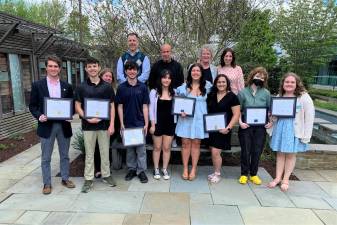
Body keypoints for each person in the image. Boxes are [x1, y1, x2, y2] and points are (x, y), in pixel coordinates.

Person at [29, 55, 75, 194]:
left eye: (56, 66)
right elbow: (32, 106)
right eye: (50, 66)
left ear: (60, 68)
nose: (53, 69)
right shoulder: (38, 85)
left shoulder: (67, 86)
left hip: (63, 126)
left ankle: (65, 178)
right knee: (46, 157)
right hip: (46, 125)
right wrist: (39, 116)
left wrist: (70, 115)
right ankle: (47, 183)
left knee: (65, 154)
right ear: (46, 67)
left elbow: (71, 105)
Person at [75, 58, 116, 193]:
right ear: (86, 69)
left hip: (104, 125)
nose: (92, 68)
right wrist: (87, 117)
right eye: (89, 66)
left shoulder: (107, 86)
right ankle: (88, 179)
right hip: (88, 126)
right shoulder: (81, 87)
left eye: (94, 66)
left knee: (105, 152)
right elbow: (78, 106)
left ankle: (106, 175)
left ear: (99, 68)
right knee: (89, 153)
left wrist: (111, 125)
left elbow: (111, 106)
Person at [267, 72, 314, 192]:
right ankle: (277, 178)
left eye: (292, 82)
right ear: (283, 83)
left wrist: (306, 135)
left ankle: (286, 179)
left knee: (291, 155)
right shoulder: (279, 96)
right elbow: (275, 116)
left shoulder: (304, 97)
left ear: (297, 84)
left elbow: (309, 117)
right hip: (280, 127)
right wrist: (271, 118)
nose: (289, 84)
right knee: (280, 154)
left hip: (294, 129)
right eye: (287, 82)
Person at [175, 63, 212, 181]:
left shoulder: (208, 86)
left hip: (199, 119)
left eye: (198, 71)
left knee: (196, 144)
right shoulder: (183, 87)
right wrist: (180, 111)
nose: (195, 73)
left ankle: (194, 169)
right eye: (193, 70)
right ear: (190, 73)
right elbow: (176, 102)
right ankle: (185, 168)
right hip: (185, 119)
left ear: (201, 73)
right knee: (185, 144)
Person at [115, 61, 150, 183]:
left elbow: (145, 106)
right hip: (127, 124)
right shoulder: (121, 88)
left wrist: (146, 123)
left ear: (137, 71)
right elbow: (119, 107)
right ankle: (131, 169)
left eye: (134, 69)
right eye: (129, 69)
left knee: (141, 150)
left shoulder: (143, 87)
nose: (132, 71)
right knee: (130, 150)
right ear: (125, 71)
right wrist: (121, 124)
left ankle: (141, 171)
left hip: (140, 123)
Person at [237, 67, 272, 185]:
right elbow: (237, 110)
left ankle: (253, 174)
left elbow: (270, 111)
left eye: (262, 78)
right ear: (252, 77)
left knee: (257, 150)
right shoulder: (242, 92)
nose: (260, 79)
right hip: (246, 126)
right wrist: (240, 122)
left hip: (260, 128)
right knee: (245, 151)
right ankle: (243, 174)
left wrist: (270, 121)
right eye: (258, 76)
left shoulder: (266, 93)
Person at [206, 74, 240, 183]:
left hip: (223, 130)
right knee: (213, 151)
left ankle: (217, 173)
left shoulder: (232, 97)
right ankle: (215, 171)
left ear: (227, 84)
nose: (221, 84)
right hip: (211, 129)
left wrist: (228, 128)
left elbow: (236, 114)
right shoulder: (211, 95)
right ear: (215, 84)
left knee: (216, 152)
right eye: (219, 82)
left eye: (223, 82)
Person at [149, 70, 175, 180]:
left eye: (169, 78)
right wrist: (152, 124)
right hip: (157, 123)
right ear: (160, 79)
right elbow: (151, 110)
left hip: (170, 124)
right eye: (164, 77)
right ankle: (156, 168)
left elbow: (178, 108)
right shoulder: (154, 92)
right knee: (157, 147)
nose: (166, 80)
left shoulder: (174, 93)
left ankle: (164, 168)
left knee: (166, 148)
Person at [94, 68, 118, 178]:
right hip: (98, 121)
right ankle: (98, 169)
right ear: (101, 76)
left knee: (107, 146)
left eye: (110, 76)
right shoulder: (96, 89)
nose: (108, 78)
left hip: (112, 122)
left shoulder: (114, 90)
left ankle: (106, 168)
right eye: (106, 76)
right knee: (98, 147)